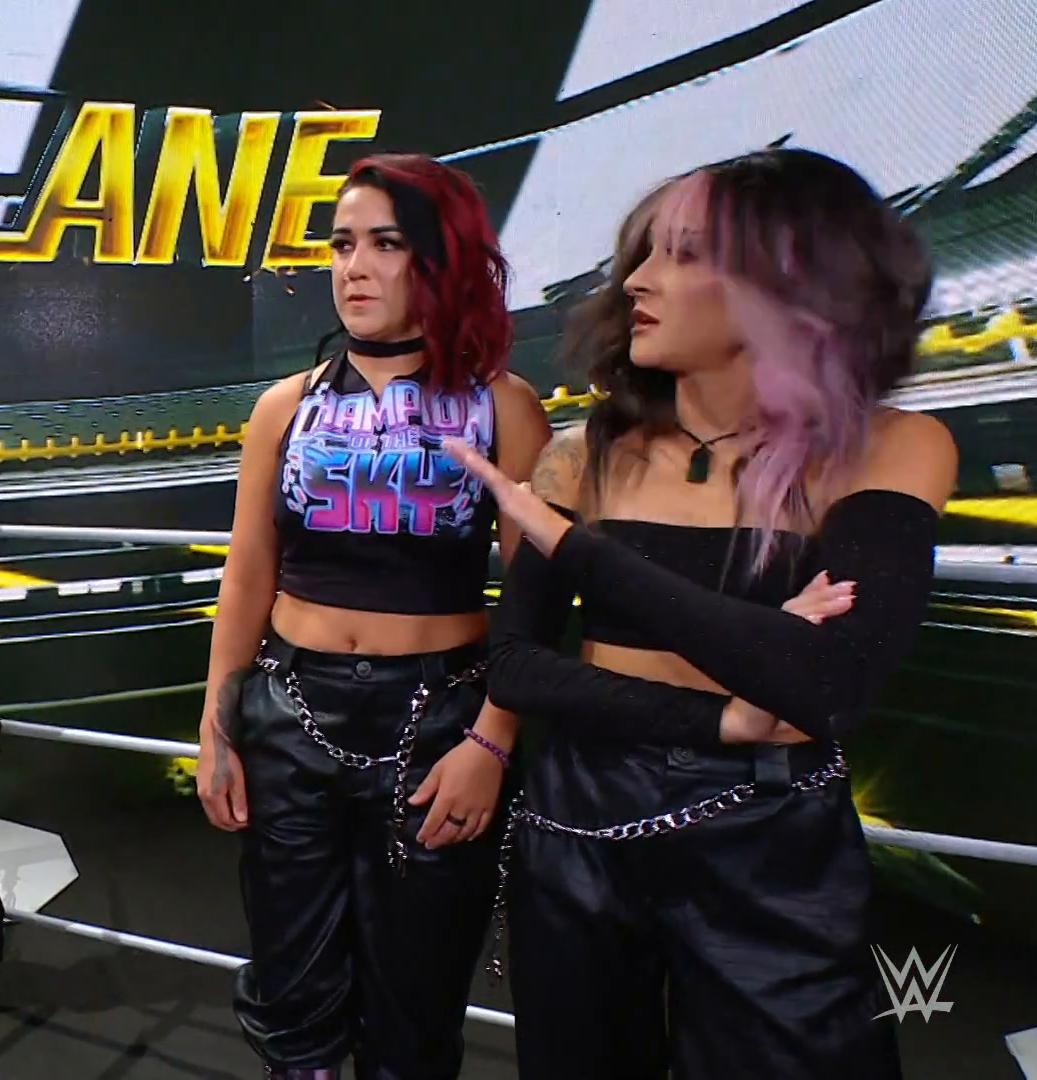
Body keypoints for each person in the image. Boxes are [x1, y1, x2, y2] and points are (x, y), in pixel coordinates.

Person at [440, 147, 955, 1079]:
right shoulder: (583, 452)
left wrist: (577, 550)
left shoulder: (892, 446)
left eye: (681, 254)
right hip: (581, 819)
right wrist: (725, 711)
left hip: (770, 833)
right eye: (642, 254)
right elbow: (516, 667)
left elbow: (825, 684)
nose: (635, 281)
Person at [196, 152, 551, 1080]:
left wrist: (493, 742)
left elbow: (537, 597)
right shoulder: (283, 408)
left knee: (416, 1006)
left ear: (440, 259)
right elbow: (248, 573)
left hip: (439, 724)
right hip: (291, 711)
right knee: (291, 991)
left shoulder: (503, 407)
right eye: (342, 243)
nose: (353, 267)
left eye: (385, 244)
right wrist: (217, 726)